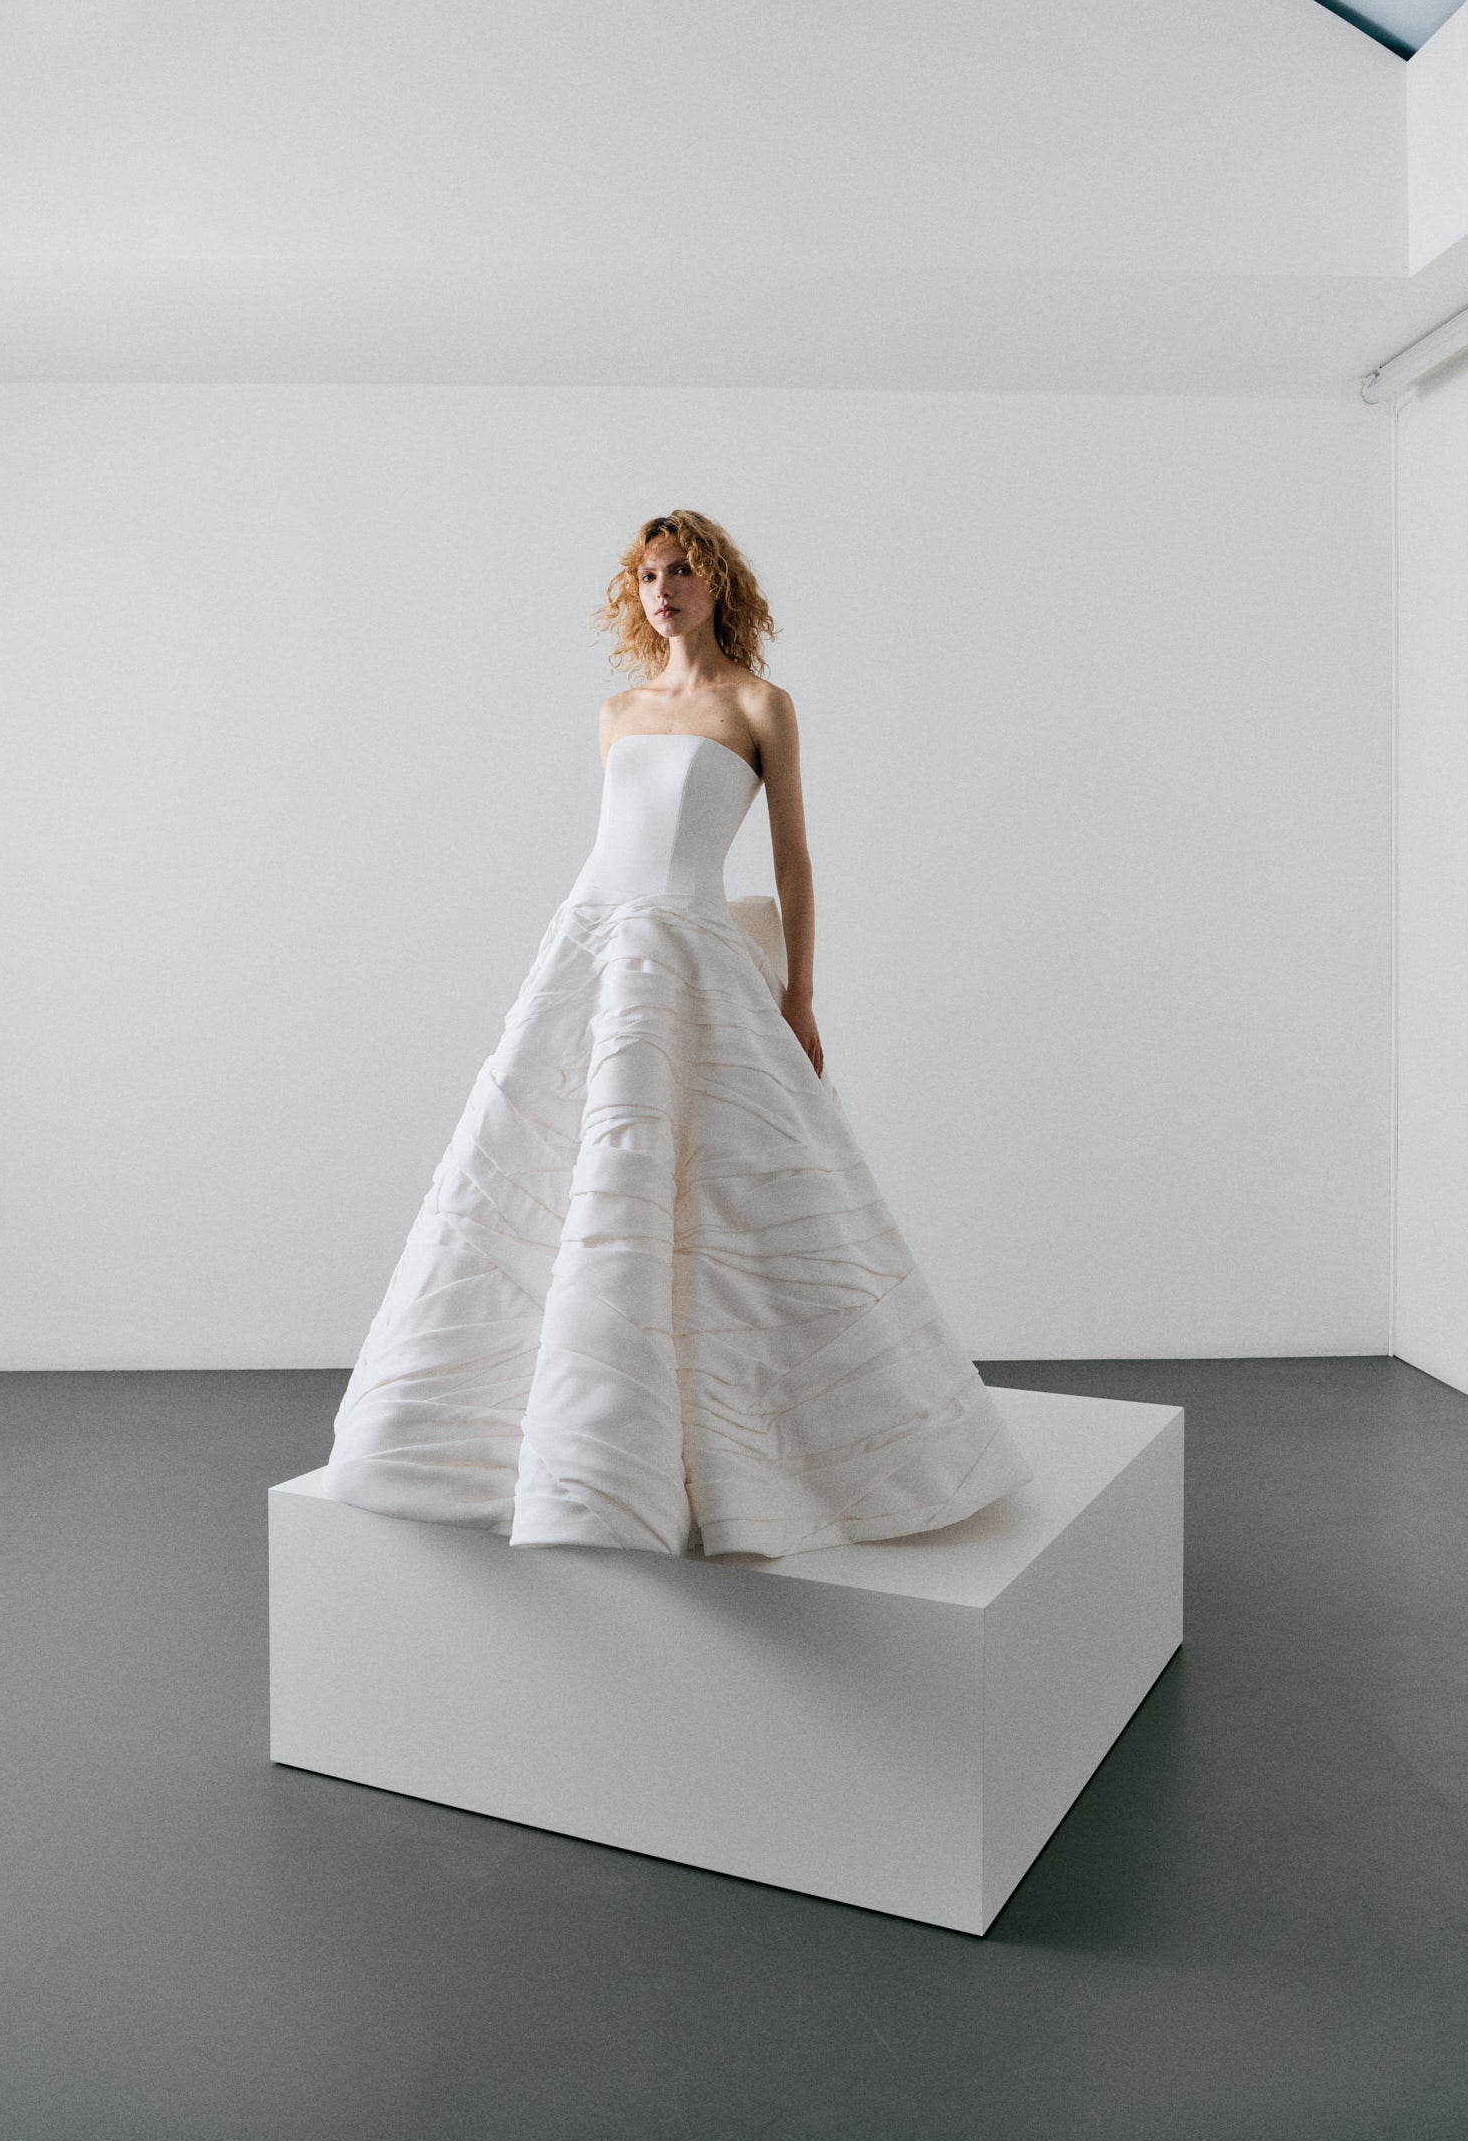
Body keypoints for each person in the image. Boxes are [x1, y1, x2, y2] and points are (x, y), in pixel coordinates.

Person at [323, 510, 1031, 1557]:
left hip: (693, 946)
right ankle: (554, 1441)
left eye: (683, 572)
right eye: (650, 575)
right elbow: (614, 845)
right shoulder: (616, 712)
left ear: (718, 586)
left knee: (720, 1183)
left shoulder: (760, 704)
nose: (664, 591)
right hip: (593, 943)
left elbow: (791, 860)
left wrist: (800, 994)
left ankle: (742, 1446)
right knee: (559, 1167)